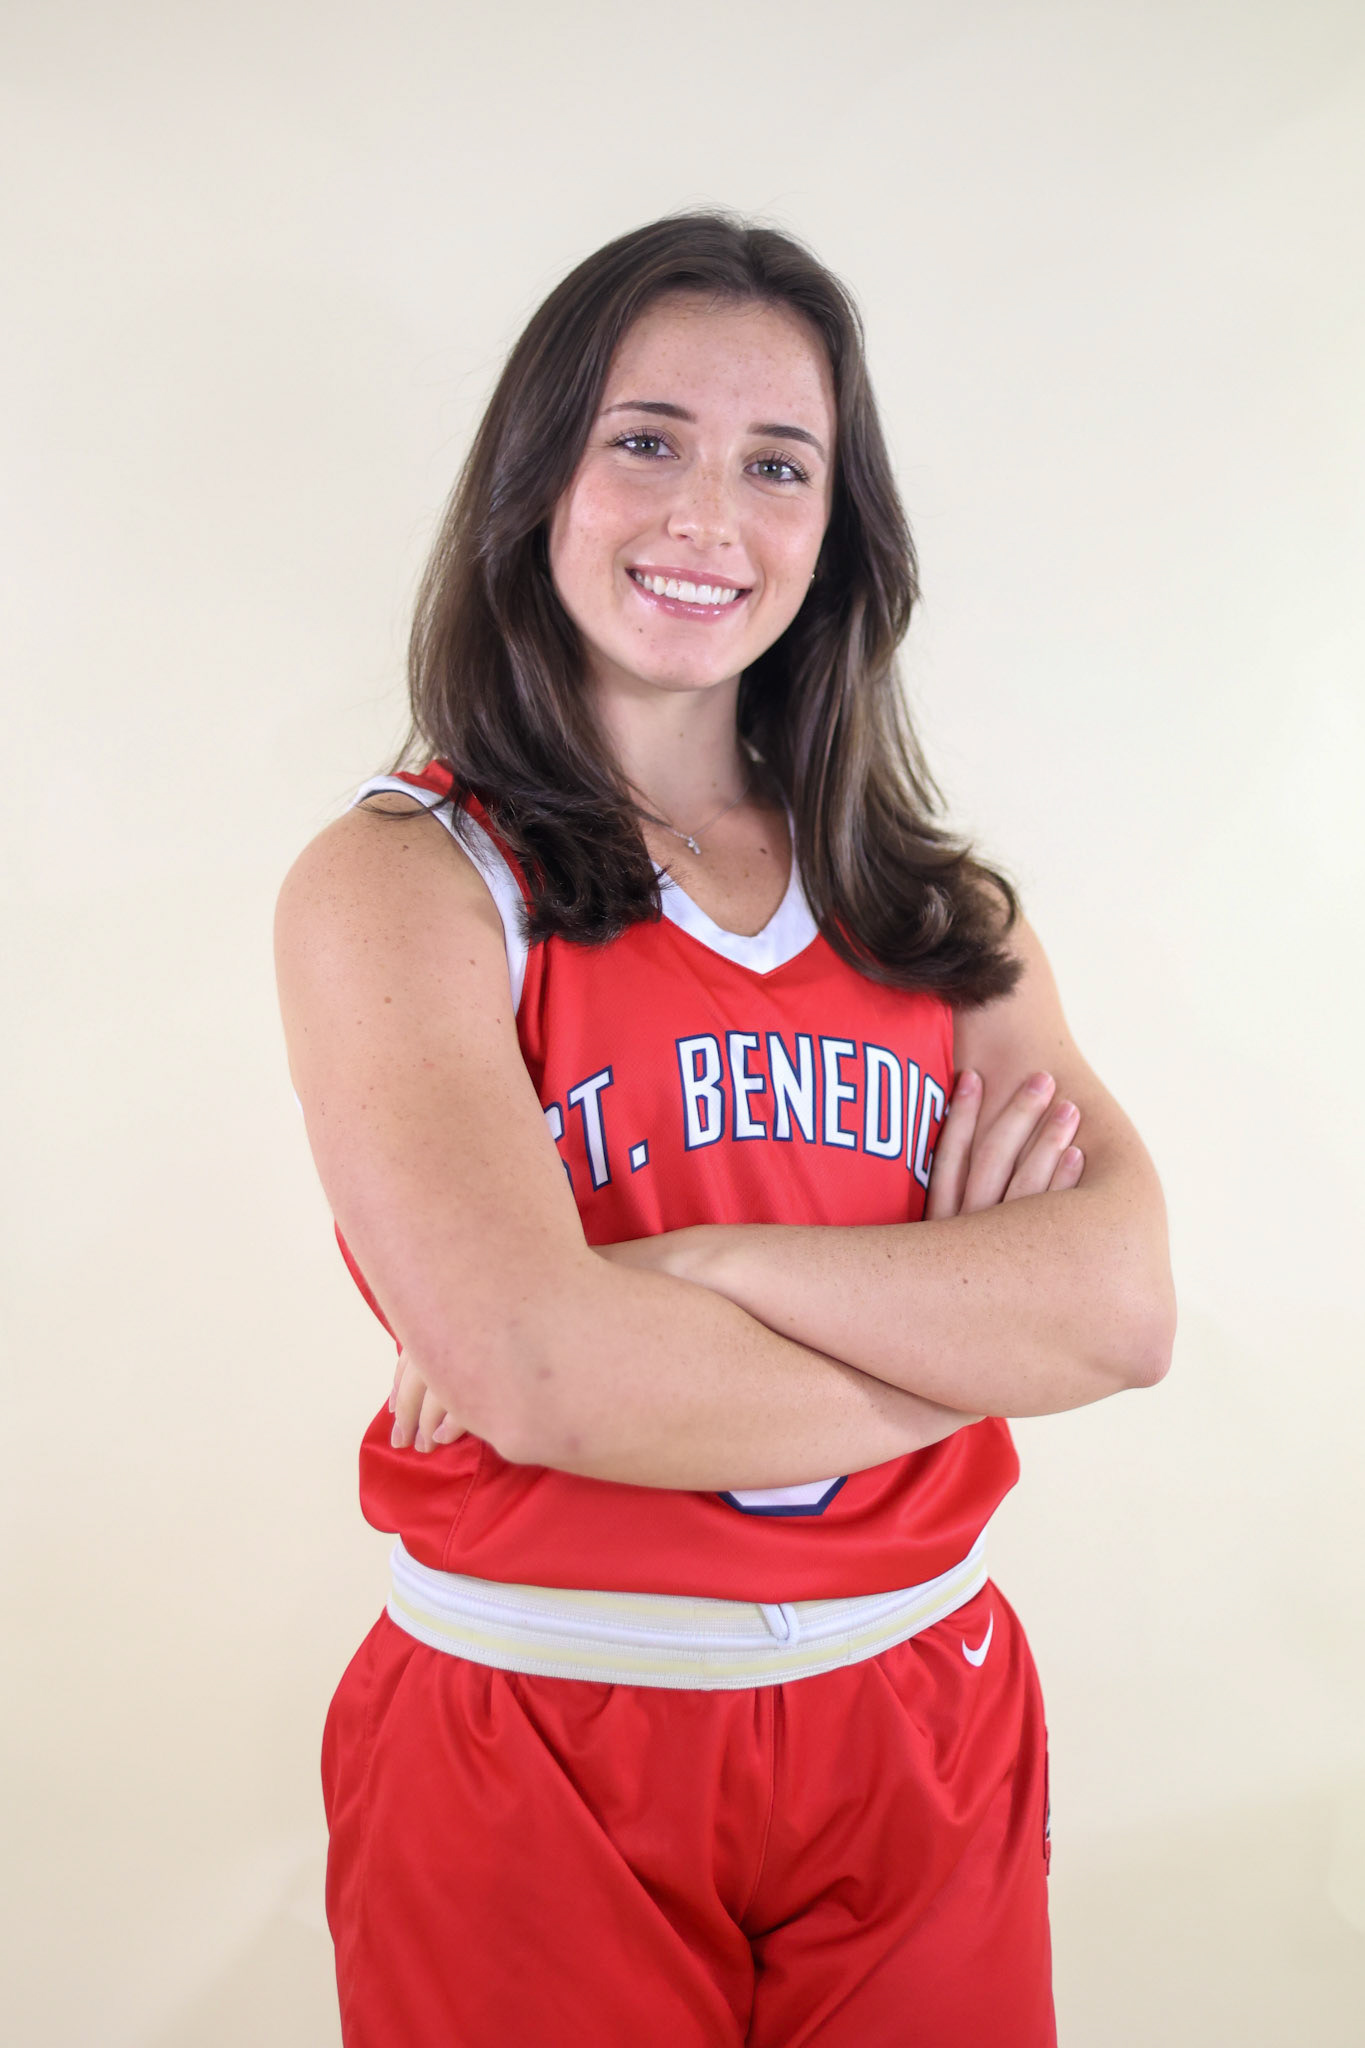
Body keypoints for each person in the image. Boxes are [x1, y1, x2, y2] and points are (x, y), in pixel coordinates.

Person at [275, 213, 1174, 2047]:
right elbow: (545, 1377)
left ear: (836, 530)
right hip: (538, 1724)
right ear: (538, 474)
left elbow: (1120, 1311)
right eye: (646, 440)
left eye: (778, 465)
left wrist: (692, 1270)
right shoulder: (404, 883)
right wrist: (966, 1341)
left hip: (921, 1706)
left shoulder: (934, 909)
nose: (707, 517)